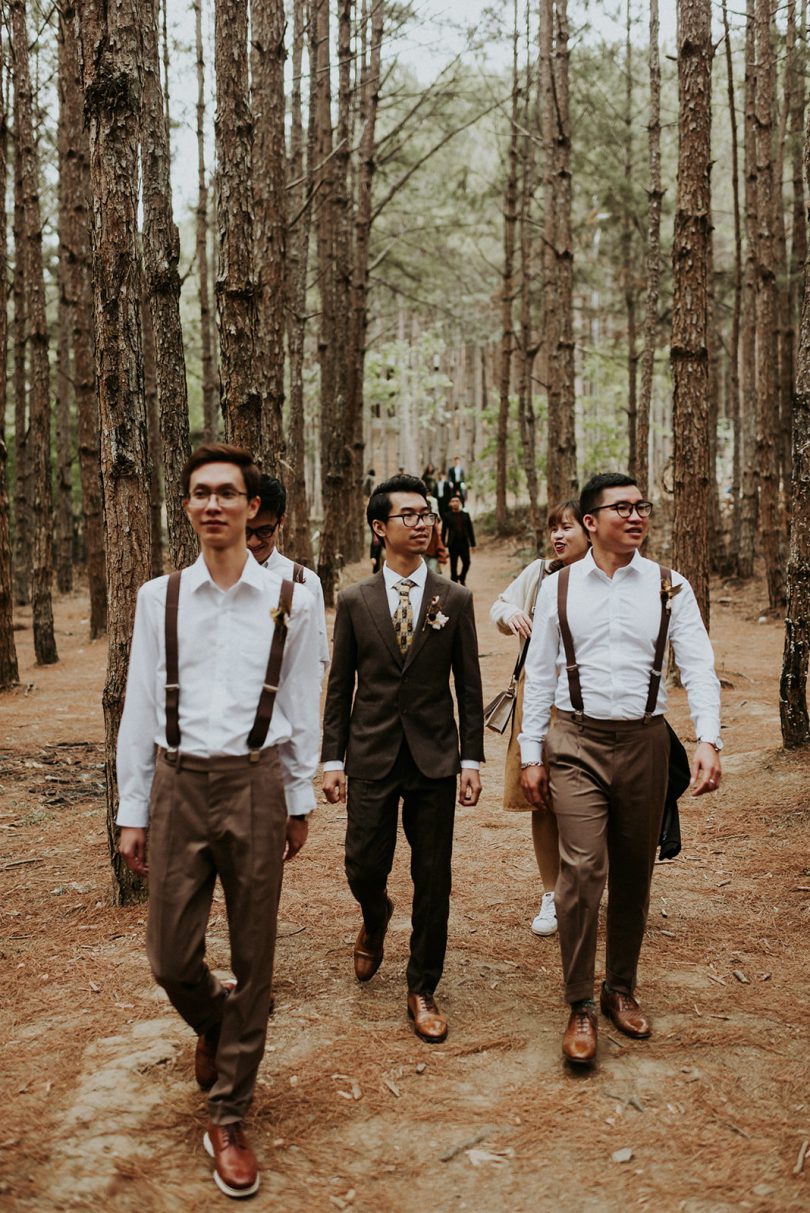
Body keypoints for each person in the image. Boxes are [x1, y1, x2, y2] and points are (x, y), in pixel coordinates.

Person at [116, 443, 321, 1198]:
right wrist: (131, 808)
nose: (212, 505)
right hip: (176, 781)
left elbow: (302, 701)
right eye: (199, 492)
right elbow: (139, 705)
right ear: (186, 506)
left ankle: (230, 1114)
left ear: (251, 507)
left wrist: (299, 796)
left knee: (256, 954)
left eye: (226, 493)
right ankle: (215, 1019)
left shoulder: (295, 597)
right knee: (171, 956)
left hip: (256, 781)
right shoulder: (157, 597)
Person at [519, 472, 722, 1066]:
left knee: (635, 869)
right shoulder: (557, 590)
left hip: (645, 743)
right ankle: (579, 1001)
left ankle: (620, 988)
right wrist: (532, 755)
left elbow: (699, 665)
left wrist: (708, 738)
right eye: (622, 508)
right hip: (575, 741)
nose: (636, 517)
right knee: (582, 869)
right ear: (590, 521)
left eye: (642, 507)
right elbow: (539, 675)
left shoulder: (669, 586)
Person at [321, 474, 484, 1045]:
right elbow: (340, 687)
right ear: (379, 527)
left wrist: (472, 761)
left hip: (436, 758)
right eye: (408, 515)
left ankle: (422, 986)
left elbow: (469, 684)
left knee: (432, 875)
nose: (421, 523)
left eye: (427, 514)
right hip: (370, 754)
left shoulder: (454, 599)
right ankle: (375, 914)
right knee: (363, 865)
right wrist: (331, 759)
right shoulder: (353, 601)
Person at [489, 501, 589, 936]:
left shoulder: (610, 577)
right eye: (553, 529)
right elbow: (499, 604)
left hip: (591, 707)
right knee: (543, 799)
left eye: (566, 528)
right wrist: (509, 614)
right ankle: (552, 891)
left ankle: (585, 885)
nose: (558, 537)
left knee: (588, 800)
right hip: (540, 701)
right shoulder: (541, 573)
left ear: (590, 528)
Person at [246, 473, 330, 677]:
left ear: (280, 522)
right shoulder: (216, 580)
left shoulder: (303, 581)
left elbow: (316, 657)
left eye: (265, 531)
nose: (253, 542)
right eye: (245, 531)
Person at [442, 494, 476, 585]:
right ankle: (454, 584)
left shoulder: (465, 515)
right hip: (453, 544)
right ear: (450, 503)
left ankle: (462, 577)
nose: (455, 503)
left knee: (467, 562)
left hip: (464, 543)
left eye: (457, 501)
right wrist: (443, 546)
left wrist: (473, 544)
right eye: (453, 501)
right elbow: (444, 531)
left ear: (460, 503)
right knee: (453, 566)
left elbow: (470, 530)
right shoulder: (447, 516)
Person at [423, 491, 448, 574]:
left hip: (432, 553)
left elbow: (437, 537)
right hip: (421, 554)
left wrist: (441, 553)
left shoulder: (432, 523)